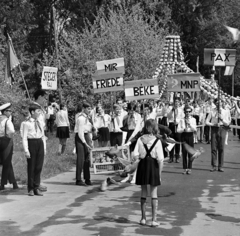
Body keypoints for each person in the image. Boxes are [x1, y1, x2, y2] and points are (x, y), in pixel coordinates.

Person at [133, 119, 164, 227]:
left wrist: (140, 157)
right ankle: (154, 220)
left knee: (143, 191)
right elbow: (161, 159)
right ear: (155, 128)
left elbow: (135, 154)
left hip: (143, 165)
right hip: (153, 165)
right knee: (154, 193)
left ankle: (143, 218)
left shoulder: (140, 139)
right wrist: (159, 174)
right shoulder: (157, 141)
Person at [22, 104, 46, 196]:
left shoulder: (39, 122)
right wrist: (26, 150)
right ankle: (30, 188)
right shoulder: (26, 123)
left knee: (39, 167)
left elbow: (43, 135)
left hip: (39, 142)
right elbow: (24, 138)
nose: (39, 113)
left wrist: (44, 148)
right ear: (32, 112)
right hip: (31, 143)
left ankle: (36, 187)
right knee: (31, 167)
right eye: (38, 111)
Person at [205, 99, 231, 172]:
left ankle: (221, 166)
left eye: (220, 102)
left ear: (222, 103)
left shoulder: (226, 111)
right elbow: (206, 121)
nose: (218, 104)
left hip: (222, 129)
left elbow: (228, 123)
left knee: (221, 148)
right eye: (217, 103)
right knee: (213, 148)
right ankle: (213, 165)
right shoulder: (212, 111)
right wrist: (213, 124)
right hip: (214, 129)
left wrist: (222, 119)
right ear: (215, 104)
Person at [0, 103, 18, 191]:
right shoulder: (7, 120)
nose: (10, 112)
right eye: (9, 111)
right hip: (7, 141)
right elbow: (12, 131)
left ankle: (14, 182)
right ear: (5, 111)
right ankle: (2, 183)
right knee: (6, 162)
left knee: (6, 161)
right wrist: (8, 135)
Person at [75, 102, 93, 186]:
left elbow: (88, 129)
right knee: (80, 159)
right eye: (88, 108)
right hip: (80, 138)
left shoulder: (88, 117)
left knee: (87, 158)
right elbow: (80, 132)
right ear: (84, 109)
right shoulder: (81, 118)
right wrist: (85, 143)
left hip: (86, 136)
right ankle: (78, 179)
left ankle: (87, 178)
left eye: (90, 108)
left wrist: (90, 140)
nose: (90, 110)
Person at [177, 106, 197, 175]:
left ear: (191, 112)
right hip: (184, 135)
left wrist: (189, 124)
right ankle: (185, 168)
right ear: (184, 112)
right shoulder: (182, 120)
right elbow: (178, 130)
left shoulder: (193, 119)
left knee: (190, 153)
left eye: (189, 112)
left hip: (190, 135)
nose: (188, 113)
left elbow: (195, 129)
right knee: (184, 152)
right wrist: (183, 129)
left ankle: (189, 168)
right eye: (186, 112)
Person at [167, 98, 185, 163]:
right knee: (171, 141)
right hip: (171, 124)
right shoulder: (170, 108)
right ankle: (171, 157)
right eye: (175, 102)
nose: (176, 103)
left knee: (177, 141)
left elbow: (182, 117)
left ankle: (177, 157)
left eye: (177, 102)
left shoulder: (181, 109)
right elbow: (168, 116)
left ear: (179, 103)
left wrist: (178, 122)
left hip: (177, 125)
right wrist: (172, 110)